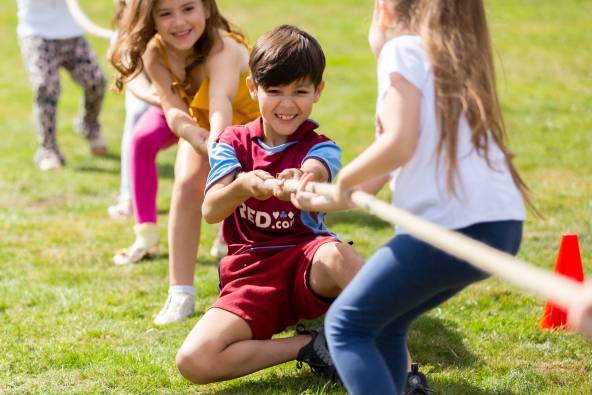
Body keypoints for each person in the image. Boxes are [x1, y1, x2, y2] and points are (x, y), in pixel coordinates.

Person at [292, 1, 531, 393]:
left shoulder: (401, 49)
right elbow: (378, 177)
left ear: (383, 10)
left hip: (450, 226)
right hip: (501, 226)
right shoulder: (447, 56)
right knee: (386, 323)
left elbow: (398, 143)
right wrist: (314, 200)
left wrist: (345, 176)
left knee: (346, 326)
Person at [174, 24, 365, 385]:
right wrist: (242, 187)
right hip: (251, 274)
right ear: (252, 88)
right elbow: (212, 210)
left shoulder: (321, 146)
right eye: (274, 91)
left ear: (318, 91)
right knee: (194, 360)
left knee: (338, 255)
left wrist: (300, 177)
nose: (287, 104)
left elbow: (317, 170)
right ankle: (310, 346)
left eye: (300, 91)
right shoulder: (231, 142)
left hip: (308, 264)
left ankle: (397, 360)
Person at [109, 0, 259, 325]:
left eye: (188, 8)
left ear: (206, 8)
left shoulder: (224, 47)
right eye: (165, 13)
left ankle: (268, 283)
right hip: (204, 126)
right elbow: (173, 108)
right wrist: (194, 136)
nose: (178, 21)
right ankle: (180, 292)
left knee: (260, 204)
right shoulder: (155, 53)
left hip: (256, 129)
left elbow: (221, 103)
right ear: (152, 18)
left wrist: (216, 147)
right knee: (187, 184)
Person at [16, 0, 107, 171]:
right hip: (37, 34)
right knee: (46, 87)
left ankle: (88, 126)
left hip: (71, 34)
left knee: (96, 81)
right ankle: (48, 150)